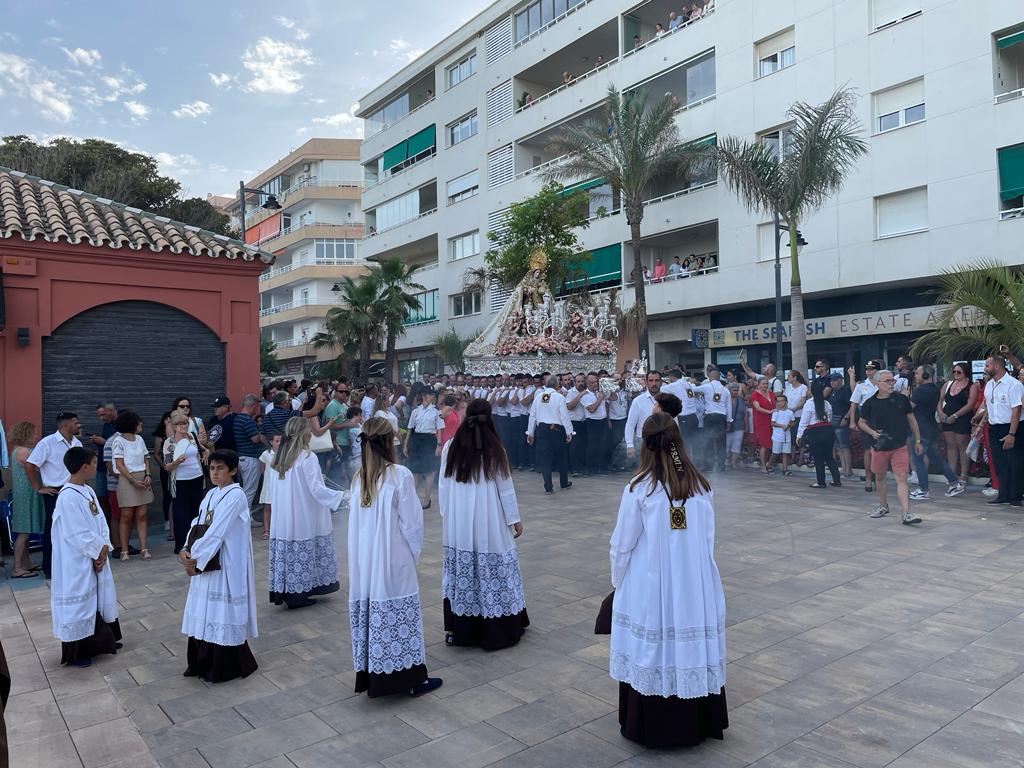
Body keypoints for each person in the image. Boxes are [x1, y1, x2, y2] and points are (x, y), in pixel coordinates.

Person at [608, 413, 727, 748]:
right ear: (678, 443)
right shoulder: (702, 486)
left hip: (652, 586)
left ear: (645, 446)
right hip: (694, 585)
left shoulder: (639, 490)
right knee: (686, 648)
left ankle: (651, 724)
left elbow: (621, 545)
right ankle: (698, 720)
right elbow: (707, 541)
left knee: (654, 648)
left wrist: (619, 584)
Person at [347, 417, 442, 697]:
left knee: (376, 613)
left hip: (365, 561)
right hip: (393, 558)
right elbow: (412, 524)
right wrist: (414, 555)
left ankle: (373, 676)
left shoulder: (359, 476)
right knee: (400, 613)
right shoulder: (399, 475)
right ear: (390, 442)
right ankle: (412, 680)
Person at [439, 399, 529, 650]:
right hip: (488, 520)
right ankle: (497, 627)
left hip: (459, 522)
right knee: (492, 568)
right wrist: (514, 519)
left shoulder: (450, 447)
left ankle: (464, 628)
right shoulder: (494, 447)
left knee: (468, 571)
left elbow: (443, 485)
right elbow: (505, 487)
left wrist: (448, 515)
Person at [179, 449, 258, 683]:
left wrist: (196, 560)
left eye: (220, 468)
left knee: (222, 610)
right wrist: (185, 549)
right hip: (205, 559)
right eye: (211, 468)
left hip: (225, 562)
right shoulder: (211, 494)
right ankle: (199, 661)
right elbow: (198, 524)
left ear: (233, 470)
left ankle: (222, 666)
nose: (214, 473)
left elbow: (217, 531)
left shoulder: (236, 495)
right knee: (203, 609)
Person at [50, 447, 121, 668]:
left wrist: (104, 548)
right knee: (80, 601)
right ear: (84, 467)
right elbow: (76, 532)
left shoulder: (87, 490)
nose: (95, 465)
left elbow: (100, 520)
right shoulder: (68, 497)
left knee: (99, 597)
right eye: (93, 462)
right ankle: (78, 650)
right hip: (77, 559)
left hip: (95, 554)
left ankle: (102, 640)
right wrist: (96, 552)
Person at [269, 417, 345, 609]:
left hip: (284, 514)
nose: (311, 433)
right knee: (302, 546)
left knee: (290, 552)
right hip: (302, 512)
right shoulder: (307, 457)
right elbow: (316, 489)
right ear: (303, 433)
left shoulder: (280, 457)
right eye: (308, 430)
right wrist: (341, 496)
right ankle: (299, 595)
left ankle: (288, 591)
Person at [858, 370, 924, 524]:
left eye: (892, 381)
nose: (891, 384)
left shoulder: (901, 399)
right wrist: (872, 433)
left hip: (899, 445)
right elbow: (861, 422)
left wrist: (918, 441)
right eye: (887, 381)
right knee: (879, 477)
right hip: (879, 446)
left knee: (902, 478)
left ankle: (906, 512)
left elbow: (912, 419)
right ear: (877, 383)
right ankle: (883, 506)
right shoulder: (870, 403)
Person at [24, 411, 83, 579]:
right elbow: (30, 465)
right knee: (54, 529)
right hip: (54, 492)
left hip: (74, 490)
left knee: (74, 528)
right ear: (65, 425)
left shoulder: (77, 443)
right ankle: (49, 567)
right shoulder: (47, 443)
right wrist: (38, 487)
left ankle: (71, 565)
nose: (78, 425)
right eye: (75, 422)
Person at [973, 354, 1024, 507]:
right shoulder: (989, 385)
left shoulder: (1014, 384)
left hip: (1012, 427)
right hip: (994, 427)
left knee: (1014, 463)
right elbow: (989, 407)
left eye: (987, 365)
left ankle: (1016, 497)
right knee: (1000, 463)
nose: (985, 368)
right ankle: (1004, 494)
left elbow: (1016, 411)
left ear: (996, 366)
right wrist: (980, 423)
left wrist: (1011, 434)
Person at [909, 365, 966, 500]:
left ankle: (923, 489)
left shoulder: (919, 391)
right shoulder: (935, 389)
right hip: (931, 428)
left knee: (919, 460)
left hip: (920, 430)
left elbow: (908, 408)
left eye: (917, 373)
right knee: (936, 458)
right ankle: (954, 483)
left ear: (925, 376)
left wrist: (904, 397)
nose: (915, 376)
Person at [110, 411, 153, 561]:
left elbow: (146, 458)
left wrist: (148, 474)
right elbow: (119, 464)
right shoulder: (118, 441)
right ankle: (124, 550)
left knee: (142, 515)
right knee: (126, 515)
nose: (140, 424)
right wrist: (132, 480)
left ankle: (144, 548)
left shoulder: (140, 439)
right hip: (127, 479)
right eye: (138, 422)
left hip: (142, 476)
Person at [164, 410, 208, 554]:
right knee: (180, 513)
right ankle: (181, 545)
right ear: (174, 426)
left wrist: (206, 452)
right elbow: (167, 466)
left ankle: (195, 541)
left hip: (196, 477)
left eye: (185, 423)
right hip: (180, 481)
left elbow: (203, 449)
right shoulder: (169, 443)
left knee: (196, 510)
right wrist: (177, 461)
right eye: (180, 424)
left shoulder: (191, 436)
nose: (183, 426)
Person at [8, 422, 45, 577]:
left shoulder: (19, 450)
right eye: (33, 433)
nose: (36, 436)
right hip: (25, 495)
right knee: (23, 532)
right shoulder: (23, 452)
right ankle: (17, 568)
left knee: (26, 531)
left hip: (25, 493)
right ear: (26, 434)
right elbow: (38, 467)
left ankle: (26, 563)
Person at [527, 375, 574, 493]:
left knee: (545, 458)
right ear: (557, 385)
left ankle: (548, 486)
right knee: (561, 457)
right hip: (556, 430)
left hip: (542, 429)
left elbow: (532, 415)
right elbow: (564, 415)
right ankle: (563, 482)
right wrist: (569, 431)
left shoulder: (539, 397)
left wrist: (530, 432)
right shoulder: (559, 397)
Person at [404, 389, 445, 508]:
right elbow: (410, 429)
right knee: (415, 471)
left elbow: (440, 430)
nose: (431, 396)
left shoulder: (436, 412)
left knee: (430, 470)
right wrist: (406, 444)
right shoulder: (415, 411)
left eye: (432, 395)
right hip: (417, 440)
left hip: (430, 440)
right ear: (423, 395)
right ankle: (412, 499)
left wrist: (439, 445)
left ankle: (427, 499)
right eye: (429, 394)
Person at [939, 362, 979, 485]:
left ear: (965, 372)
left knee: (962, 446)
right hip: (947, 417)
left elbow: (970, 404)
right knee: (950, 445)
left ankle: (963, 474)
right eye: (954, 372)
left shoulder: (971, 386)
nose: (956, 374)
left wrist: (956, 415)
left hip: (962, 418)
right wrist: (940, 412)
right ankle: (952, 473)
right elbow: (939, 400)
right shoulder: (948, 384)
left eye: (959, 372)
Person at [797, 382, 841, 488]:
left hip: (815, 431)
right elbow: (829, 416)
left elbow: (804, 421)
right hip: (828, 430)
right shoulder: (827, 403)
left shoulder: (809, 403)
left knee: (818, 458)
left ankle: (821, 482)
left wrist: (799, 435)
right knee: (829, 456)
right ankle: (837, 480)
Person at [848, 360, 881, 492]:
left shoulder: (883, 384)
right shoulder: (861, 385)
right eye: (867, 369)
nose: (869, 371)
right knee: (868, 450)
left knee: (880, 451)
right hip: (866, 419)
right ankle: (868, 477)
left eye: (872, 369)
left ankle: (878, 477)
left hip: (881, 419)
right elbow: (854, 404)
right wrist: (852, 421)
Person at [696, 368, 731, 471]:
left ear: (710, 377)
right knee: (721, 441)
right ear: (719, 377)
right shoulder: (725, 390)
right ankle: (721, 465)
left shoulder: (706, 386)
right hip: (721, 417)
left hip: (710, 417)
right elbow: (729, 407)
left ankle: (708, 465)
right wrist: (729, 421)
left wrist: (692, 384)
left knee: (708, 440)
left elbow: (693, 390)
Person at [625, 371, 662, 460]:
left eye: (657, 380)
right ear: (646, 382)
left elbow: (674, 422)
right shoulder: (638, 401)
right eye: (651, 380)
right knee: (646, 472)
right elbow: (630, 425)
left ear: (661, 382)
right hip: (644, 442)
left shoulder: (668, 399)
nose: (654, 383)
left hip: (663, 441)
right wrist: (630, 445)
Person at [580, 372, 609, 475]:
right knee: (593, 445)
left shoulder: (599, 392)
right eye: (592, 382)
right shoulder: (585, 395)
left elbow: (613, 399)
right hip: (593, 421)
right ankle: (590, 467)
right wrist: (600, 398)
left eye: (596, 382)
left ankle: (600, 466)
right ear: (587, 383)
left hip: (603, 420)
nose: (594, 384)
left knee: (603, 444)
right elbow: (591, 409)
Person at [152, 412, 173, 542]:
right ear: (166, 420)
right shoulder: (160, 436)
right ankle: (167, 520)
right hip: (165, 469)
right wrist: (164, 466)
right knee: (167, 494)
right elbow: (156, 454)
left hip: (177, 468)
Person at [828, 371, 854, 478]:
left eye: (834, 380)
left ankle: (849, 469)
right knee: (838, 446)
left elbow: (851, 405)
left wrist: (847, 417)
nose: (832, 383)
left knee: (844, 445)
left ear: (840, 380)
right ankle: (843, 468)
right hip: (834, 420)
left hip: (842, 419)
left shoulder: (845, 391)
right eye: (831, 380)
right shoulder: (834, 392)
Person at [258, 433, 281, 540]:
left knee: (280, 508)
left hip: (281, 485)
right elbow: (262, 469)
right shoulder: (266, 454)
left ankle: (278, 529)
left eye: (281, 441)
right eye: (276, 441)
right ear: (271, 442)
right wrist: (268, 479)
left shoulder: (285, 454)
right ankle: (266, 530)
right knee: (267, 508)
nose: (279, 443)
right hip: (269, 485)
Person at [750, 377, 774, 472]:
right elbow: (757, 407)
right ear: (758, 384)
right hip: (761, 421)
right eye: (763, 384)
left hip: (771, 420)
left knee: (769, 444)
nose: (765, 385)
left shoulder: (771, 394)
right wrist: (769, 412)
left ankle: (768, 464)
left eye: (767, 383)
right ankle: (763, 467)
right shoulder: (755, 394)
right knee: (764, 444)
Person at [768, 395, 794, 475]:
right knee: (775, 452)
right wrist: (782, 426)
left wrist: (789, 425)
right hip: (777, 435)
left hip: (787, 436)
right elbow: (772, 423)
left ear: (786, 402)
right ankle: (769, 465)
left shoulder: (790, 412)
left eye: (781, 401)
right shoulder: (776, 412)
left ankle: (785, 469)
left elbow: (793, 422)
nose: (779, 403)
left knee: (785, 453)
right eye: (778, 401)